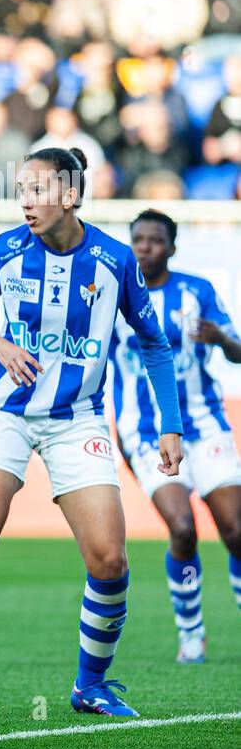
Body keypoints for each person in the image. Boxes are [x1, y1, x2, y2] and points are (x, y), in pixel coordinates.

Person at [0, 147, 184, 719]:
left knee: (110, 560)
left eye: (37, 190)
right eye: (21, 190)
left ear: (70, 196)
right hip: (3, 409)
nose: (25, 201)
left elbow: (154, 342)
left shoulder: (114, 260)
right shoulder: (4, 251)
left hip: (77, 418)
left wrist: (169, 427)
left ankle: (90, 686)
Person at [111, 209, 241, 663]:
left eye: (154, 240)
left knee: (236, 530)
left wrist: (222, 339)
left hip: (204, 425)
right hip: (144, 431)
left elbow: (238, 350)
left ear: (172, 247)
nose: (144, 247)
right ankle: (192, 633)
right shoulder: (111, 295)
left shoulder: (197, 291)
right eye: (138, 239)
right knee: (182, 528)